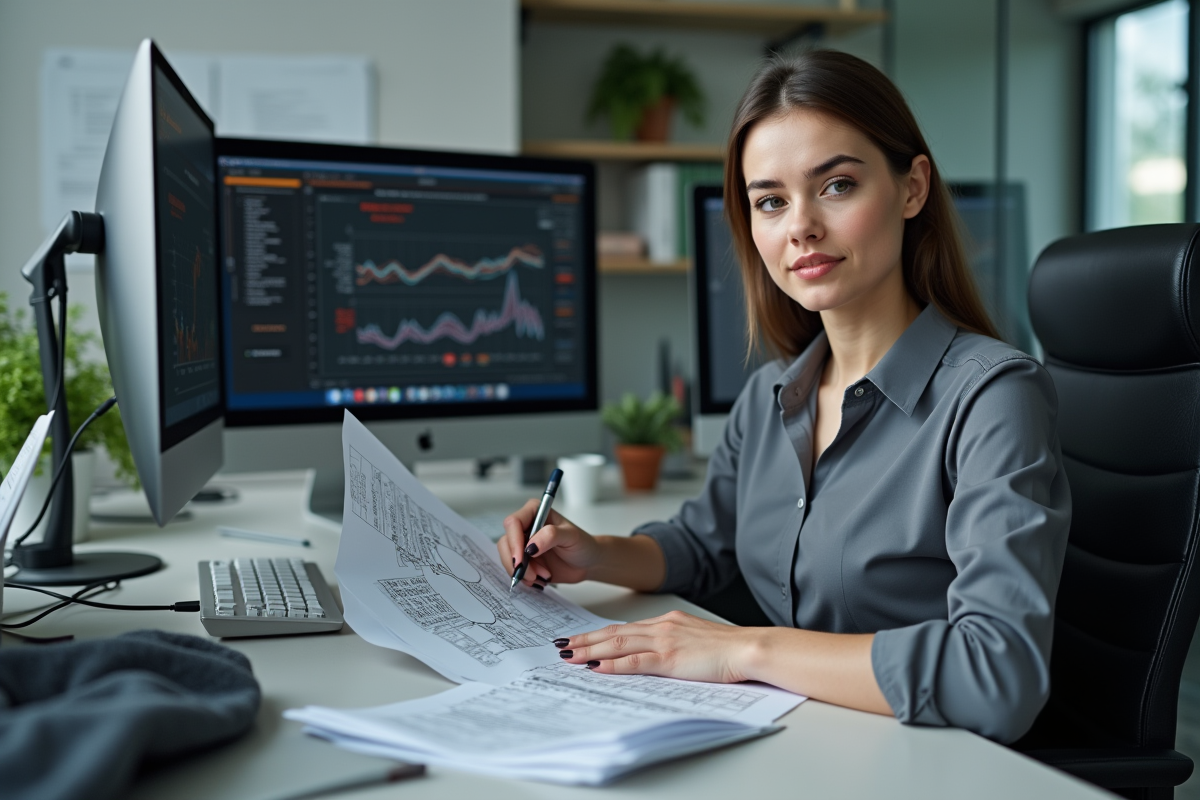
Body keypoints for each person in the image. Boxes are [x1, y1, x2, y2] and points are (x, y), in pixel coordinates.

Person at [498, 50, 1070, 744]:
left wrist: (741, 650)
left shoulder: (992, 399)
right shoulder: (774, 392)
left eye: (835, 186)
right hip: (797, 741)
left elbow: (997, 674)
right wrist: (595, 555)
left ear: (912, 187)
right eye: (770, 200)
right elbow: (703, 546)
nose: (799, 226)